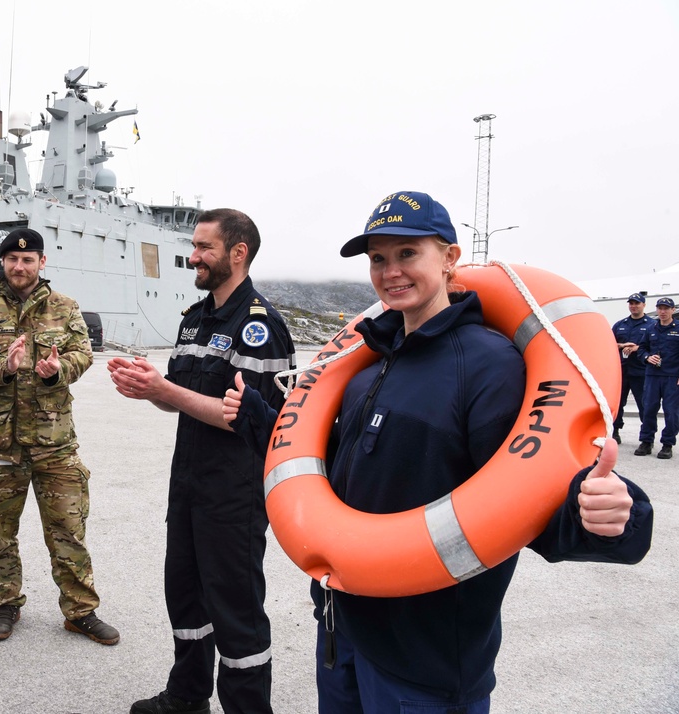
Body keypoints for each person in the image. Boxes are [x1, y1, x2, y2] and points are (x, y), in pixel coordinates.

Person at [223, 191, 653, 713]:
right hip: (343, 630)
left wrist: (607, 515)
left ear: (449, 259)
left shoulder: (489, 367)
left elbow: (526, 495)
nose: (390, 271)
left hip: (427, 662)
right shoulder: (367, 366)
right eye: (378, 258)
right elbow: (334, 466)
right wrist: (259, 420)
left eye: (408, 253)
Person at [108, 208, 296, 714]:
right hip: (188, 485)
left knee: (236, 611)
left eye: (203, 248)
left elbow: (250, 419)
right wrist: (148, 388)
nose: (193, 256)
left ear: (238, 253)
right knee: (185, 597)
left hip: (233, 495)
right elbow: (179, 398)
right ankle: (188, 698)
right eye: (194, 246)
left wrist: (165, 388)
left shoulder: (260, 328)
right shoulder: (195, 320)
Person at [0, 227, 118, 646]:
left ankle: (80, 611)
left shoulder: (65, 307)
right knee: (0, 532)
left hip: (55, 442)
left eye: (28, 259)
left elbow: (82, 353)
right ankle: (6, 604)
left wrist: (59, 370)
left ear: (41, 262)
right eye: (13, 260)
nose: (20, 266)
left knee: (68, 530)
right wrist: (5, 368)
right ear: (3, 263)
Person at [634, 296, 679, 459]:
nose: (662, 311)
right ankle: (646, 441)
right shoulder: (651, 329)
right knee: (648, 409)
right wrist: (647, 357)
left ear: (672, 310)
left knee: (671, 412)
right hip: (652, 375)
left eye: (666, 308)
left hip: (672, 377)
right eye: (660, 308)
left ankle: (667, 444)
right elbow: (641, 349)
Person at [611, 293, 654, 444]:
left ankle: (646, 438)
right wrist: (623, 345)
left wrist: (637, 348)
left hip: (641, 372)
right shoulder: (620, 324)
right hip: (622, 372)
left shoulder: (651, 325)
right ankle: (614, 432)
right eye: (631, 303)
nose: (634, 306)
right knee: (617, 403)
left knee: (645, 405)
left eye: (637, 303)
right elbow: (609, 344)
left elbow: (654, 348)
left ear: (644, 305)